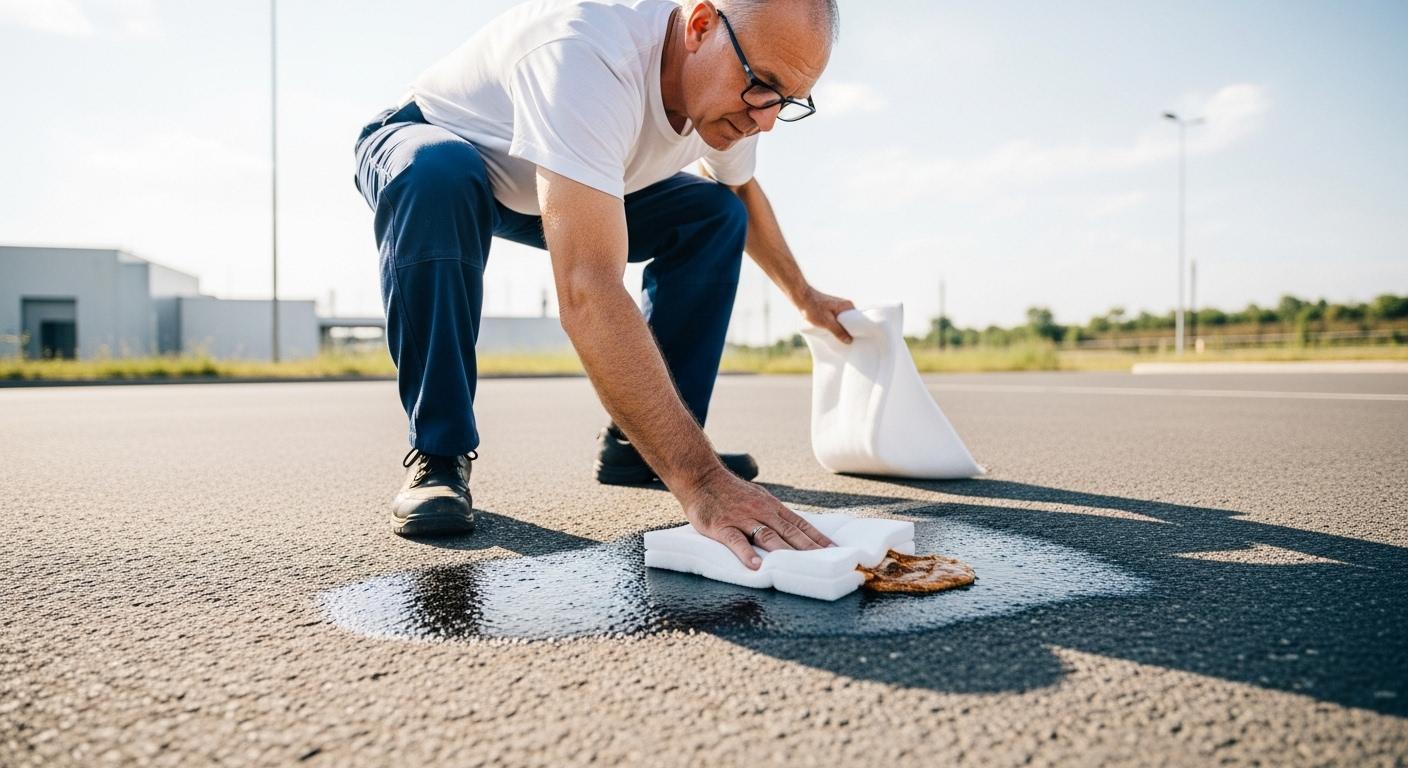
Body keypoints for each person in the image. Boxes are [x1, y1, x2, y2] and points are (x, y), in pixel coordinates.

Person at [353, 0, 855, 569]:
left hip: (559, 182)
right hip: (434, 146)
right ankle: (438, 455)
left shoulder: (736, 92)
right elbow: (588, 287)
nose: (766, 118)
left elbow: (740, 190)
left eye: (786, 100)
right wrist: (702, 481)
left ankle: (640, 447)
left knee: (714, 213)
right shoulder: (587, 54)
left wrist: (805, 298)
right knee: (439, 174)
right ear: (700, 27)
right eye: (763, 85)